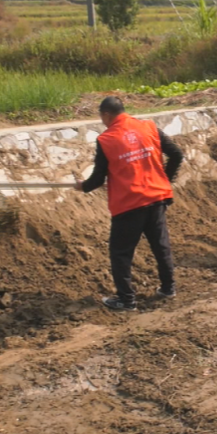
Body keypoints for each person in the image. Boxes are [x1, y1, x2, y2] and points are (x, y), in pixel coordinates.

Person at [75, 97, 184, 311]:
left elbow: (97, 179)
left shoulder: (106, 139)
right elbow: (177, 155)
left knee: (121, 253)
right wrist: (163, 180)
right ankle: (168, 288)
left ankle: (126, 300)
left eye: (102, 117)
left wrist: (82, 186)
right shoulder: (149, 127)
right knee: (161, 246)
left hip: (129, 204)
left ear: (106, 115)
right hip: (156, 198)